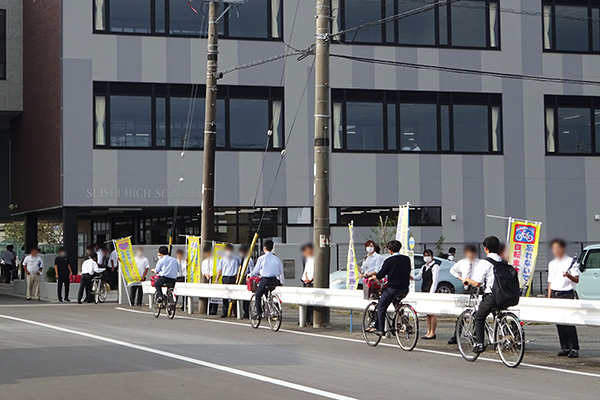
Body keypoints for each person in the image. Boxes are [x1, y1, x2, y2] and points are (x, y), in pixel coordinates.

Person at [463, 236, 510, 354]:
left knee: (479, 317)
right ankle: (503, 337)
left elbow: (478, 283)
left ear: (485, 248)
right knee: (498, 314)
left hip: (493, 296)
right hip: (507, 296)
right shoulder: (504, 262)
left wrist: (467, 279)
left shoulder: (485, 263)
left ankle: (479, 343)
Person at [365, 240, 411, 336]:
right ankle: (400, 321)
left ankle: (380, 329)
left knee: (381, 306)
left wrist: (374, 277)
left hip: (392, 289)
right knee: (396, 304)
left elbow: (381, 274)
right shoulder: (406, 259)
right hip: (404, 289)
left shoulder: (389, 261)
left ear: (390, 250)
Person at [547, 238, 580, 358]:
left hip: (567, 293)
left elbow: (577, 279)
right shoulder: (552, 263)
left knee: (569, 322)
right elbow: (550, 282)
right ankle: (564, 347)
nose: (555, 250)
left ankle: (574, 348)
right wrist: (549, 297)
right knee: (559, 322)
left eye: (557, 248)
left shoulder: (571, 261)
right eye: (553, 248)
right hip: (556, 293)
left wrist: (569, 275)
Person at [447, 243, 480, 344]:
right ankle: (456, 335)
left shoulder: (480, 263)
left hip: (477, 288)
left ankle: (475, 335)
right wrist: (461, 279)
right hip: (466, 288)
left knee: (477, 313)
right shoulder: (462, 262)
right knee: (462, 313)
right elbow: (452, 270)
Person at [250, 240, 284, 319]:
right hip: (275, 280)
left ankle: (259, 313)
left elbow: (256, 270)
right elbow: (281, 272)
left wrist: (250, 275)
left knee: (258, 295)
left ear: (264, 248)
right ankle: (273, 311)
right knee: (268, 294)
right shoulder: (277, 259)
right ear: (272, 248)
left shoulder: (261, 258)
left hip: (265, 280)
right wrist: (281, 282)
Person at [412, 249, 440, 340]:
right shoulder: (424, 267)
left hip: (431, 292)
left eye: (427, 255)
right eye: (424, 255)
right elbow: (419, 277)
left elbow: (435, 281)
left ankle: (433, 332)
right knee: (428, 313)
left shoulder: (435, 267)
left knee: (432, 313)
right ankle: (428, 331)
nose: (426, 257)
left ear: (432, 256)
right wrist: (412, 278)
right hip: (424, 290)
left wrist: (431, 293)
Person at [217, 243, 241, 318]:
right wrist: (217, 279)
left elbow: (240, 267)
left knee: (235, 296)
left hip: (233, 278)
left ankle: (235, 312)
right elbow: (220, 270)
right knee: (225, 296)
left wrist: (238, 276)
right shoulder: (222, 259)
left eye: (230, 250)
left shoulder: (236, 258)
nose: (228, 251)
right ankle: (225, 312)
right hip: (225, 278)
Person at [201, 245, 218, 315]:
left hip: (214, 278)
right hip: (207, 279)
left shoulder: (215, 260)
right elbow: (203, 271)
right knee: (208, 294)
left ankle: (214, 310)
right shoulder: (204, 261)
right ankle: (208, 309)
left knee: (215, 295)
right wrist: (206, 275)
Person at [239, 244, 254, 319]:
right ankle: (243, 312)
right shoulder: (241, 259)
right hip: (240, 278)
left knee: (246, 297)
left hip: (246, 278)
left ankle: (247, 312)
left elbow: (252, 270)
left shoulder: (249, 260)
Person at [301, 243, 315, 325]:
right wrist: (306, 278)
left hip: (311, 282)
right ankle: (307, 319)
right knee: (307, 301)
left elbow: (316, 270)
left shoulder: (315, 258)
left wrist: (311, 279)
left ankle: (310, 319)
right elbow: (306, 269)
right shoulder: (308, 258)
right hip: (307, 281)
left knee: (311, 302)